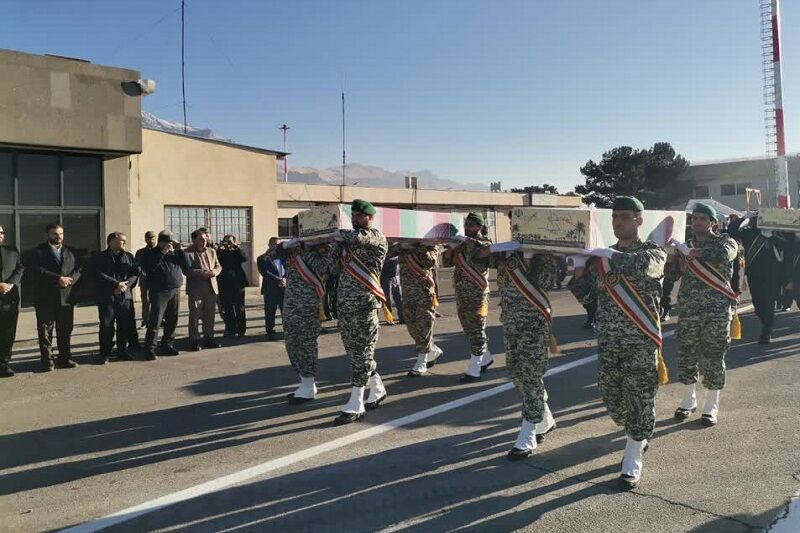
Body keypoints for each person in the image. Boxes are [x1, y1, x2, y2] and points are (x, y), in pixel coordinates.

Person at [568, 196, 666, 490]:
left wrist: (606, 255)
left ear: (639, 219)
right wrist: (580, 268)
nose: (618, 221)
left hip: (640, 341)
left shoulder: (653, 251)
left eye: (624, 216)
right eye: (614, 217)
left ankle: (633, 454)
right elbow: (587, 298)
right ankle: (636, 431)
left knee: (639, 399)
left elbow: (643, 267)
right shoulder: (602, 259)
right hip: (609, 342)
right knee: (613, 402)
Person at [479, 240, 557, 458]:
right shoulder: (506, 254)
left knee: (531, 376)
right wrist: (490, 247)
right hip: (511, 323)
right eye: (514, 223)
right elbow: (477, 257)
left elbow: (548, 282)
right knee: (517, 374)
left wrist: (532, 257)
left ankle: (529, 429)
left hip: (534, 324)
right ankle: (545, 418)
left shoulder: (544, 254)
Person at [670, 203, 738, 427]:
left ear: (713, 223)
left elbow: (724, 255)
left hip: (716, 312)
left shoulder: (725, 242)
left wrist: (689, 252)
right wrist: (670, 253)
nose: (697, 222)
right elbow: (672, 274)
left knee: (713, 357)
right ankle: (689, 399)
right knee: (686, 355)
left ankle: (711, 404)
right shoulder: (684, 246)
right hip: (689, 311)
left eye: (702, 218)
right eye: (694, 218)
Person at [329, 199, 388, 425]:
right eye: (353, 215)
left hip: (365, 304)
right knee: (355, 352)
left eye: (359, 216)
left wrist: (337, 235)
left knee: (362, 351)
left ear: (370, 218)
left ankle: (356, 401)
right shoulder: (346, 244)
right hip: (345, 306)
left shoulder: (375, 237)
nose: (355, 219)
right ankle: (378, 388)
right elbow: (332, 269)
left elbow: (358, 237)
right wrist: (335, 247)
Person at [274, 239, 331, 403]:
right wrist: (284, 245)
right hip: (290, 305)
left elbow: (329, 269)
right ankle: (305, 382)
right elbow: (268, 256)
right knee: (291, 344)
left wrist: (314, 246)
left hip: (309, 305)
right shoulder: (292, 251)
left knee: (306, 344)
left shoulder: (321, 251)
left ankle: (308, 384)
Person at [441, 212, 493, 383]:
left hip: (478, 294)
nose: (468, 228)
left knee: (477, 328)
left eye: (472, 225)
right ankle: (485, 358)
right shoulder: (461, 244)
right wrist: (451, 247)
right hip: (462, 293)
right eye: (467, 224)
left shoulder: (485, 243)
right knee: (469, 329)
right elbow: (446, 262)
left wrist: (464, 241)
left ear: (480, 227)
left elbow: (479, 253)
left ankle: (475, 368)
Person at [28, 223, 82, 371]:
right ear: (48, 235)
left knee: (65, 330)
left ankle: (65, 359)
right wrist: (57, 278)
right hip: (46, 298)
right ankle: (47, 361)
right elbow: (37, 270)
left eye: (61, 234)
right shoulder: (38, 252)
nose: (59, 237)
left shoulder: (70, 252)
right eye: (55, 234)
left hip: (66, 297)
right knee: (45, 331)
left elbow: (78, 269)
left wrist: (70, 279)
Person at [728, 214, 789, 344]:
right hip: (754, 274)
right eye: (754, 219)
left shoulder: (774, 232)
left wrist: (771, 236)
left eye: (758, 218)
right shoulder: (748, 232)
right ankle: (765, 321)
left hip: (772, 274)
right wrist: (743, 218)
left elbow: (787, 246)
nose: (756, 221)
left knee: (768, 302)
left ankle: (767, 330)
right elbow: (731, 231)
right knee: (758, 303)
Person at [392, 242, 442, 377]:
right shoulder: (403, 245)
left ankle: (422, 361)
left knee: (424, 325)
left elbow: (430, 262)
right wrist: (403, 246)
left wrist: (419, 246)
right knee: (411, 325)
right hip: (407, 293)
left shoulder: (431, 245)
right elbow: (388, 252)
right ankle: (432, 349)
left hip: (424, 292)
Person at [91, 232, 139, 364]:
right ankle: (105, 353)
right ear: (111, 241)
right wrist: (116, 284)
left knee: (124, 325)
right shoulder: (100, 257)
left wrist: (126, 285)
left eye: (125, 241)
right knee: (107, 325)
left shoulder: (129, 256)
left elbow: (135, 273)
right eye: (122, 241)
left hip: (125, 296)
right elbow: (98, 274)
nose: (124, 243)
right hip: (107, 296)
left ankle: (122, 351)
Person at [140, 230, 186, 360]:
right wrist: (162, 252)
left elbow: (186, 264)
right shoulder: (151, 253)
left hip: (175, 290)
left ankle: (167, 345)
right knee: (156, 320)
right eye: (167, 242)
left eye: (171, 242)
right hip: (159, 291)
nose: (170, 245)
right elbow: (149, 268)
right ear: (160, 242)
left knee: (172, 319)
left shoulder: (175, 253)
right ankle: (149, 348)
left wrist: (181, 250)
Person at [184, 229, 222, 351]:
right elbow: (187, 270)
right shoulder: (187, 253)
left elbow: (218, 266)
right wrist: (202, 273)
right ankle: (195, 340)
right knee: (195, 315)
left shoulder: (211, 251)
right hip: (196, 289)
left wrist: (215, 272)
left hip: (211, 287)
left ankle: (209, 337)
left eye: (205, 239)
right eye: (201, 239)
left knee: (209, 315)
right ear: (194, 240)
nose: (204, 241)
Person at [0, 225, 23, 377]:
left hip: (9, 299)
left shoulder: (12, 251)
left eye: (2, 232)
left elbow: (20, 268)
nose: (0, 235)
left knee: (7, 333)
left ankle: (4, 364)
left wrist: (10, 284)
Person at [217, 234, 249, 338]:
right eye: (225, 241)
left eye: (229, 241)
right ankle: (231, 329)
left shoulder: (237, 251)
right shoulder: (221, 252)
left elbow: (244, 258)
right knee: (227, 308)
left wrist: (235, 246)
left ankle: (241, 330)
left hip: (237, 283)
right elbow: (215, 260)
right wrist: (220, 248)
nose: (227, 244)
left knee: (239, 307)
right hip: (224, 283)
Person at [257, 237, 286, 340]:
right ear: (269, 245)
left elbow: (288, 269)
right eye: (274, 244)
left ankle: (286, 331)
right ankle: (270, 332)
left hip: (284, 288)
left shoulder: (284, 257)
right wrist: (278, 280)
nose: (276, 246)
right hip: (271, 289)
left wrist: (285, 279)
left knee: (286, 312)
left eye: (278, 244)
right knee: (270, 312)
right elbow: (265, 272)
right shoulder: (262, 258)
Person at [134, 231, 157, 328]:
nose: (151, 241)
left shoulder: (159, 251)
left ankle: (159, 319)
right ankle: (145, 321)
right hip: (145, 280)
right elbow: (137, 265)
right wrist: (142, 274)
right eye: (149, 239)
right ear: (146, 240)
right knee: (146, 301)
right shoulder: (141, 252)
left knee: (157, 301)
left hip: (157, 281)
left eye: (153, 238)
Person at [379, 255, 403, 325]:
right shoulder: (385, 248)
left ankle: (402, 318)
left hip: (396, 275)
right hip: (386, 277)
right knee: (387, 299)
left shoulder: (396, 247)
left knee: (399, 298)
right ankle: (389, 319)